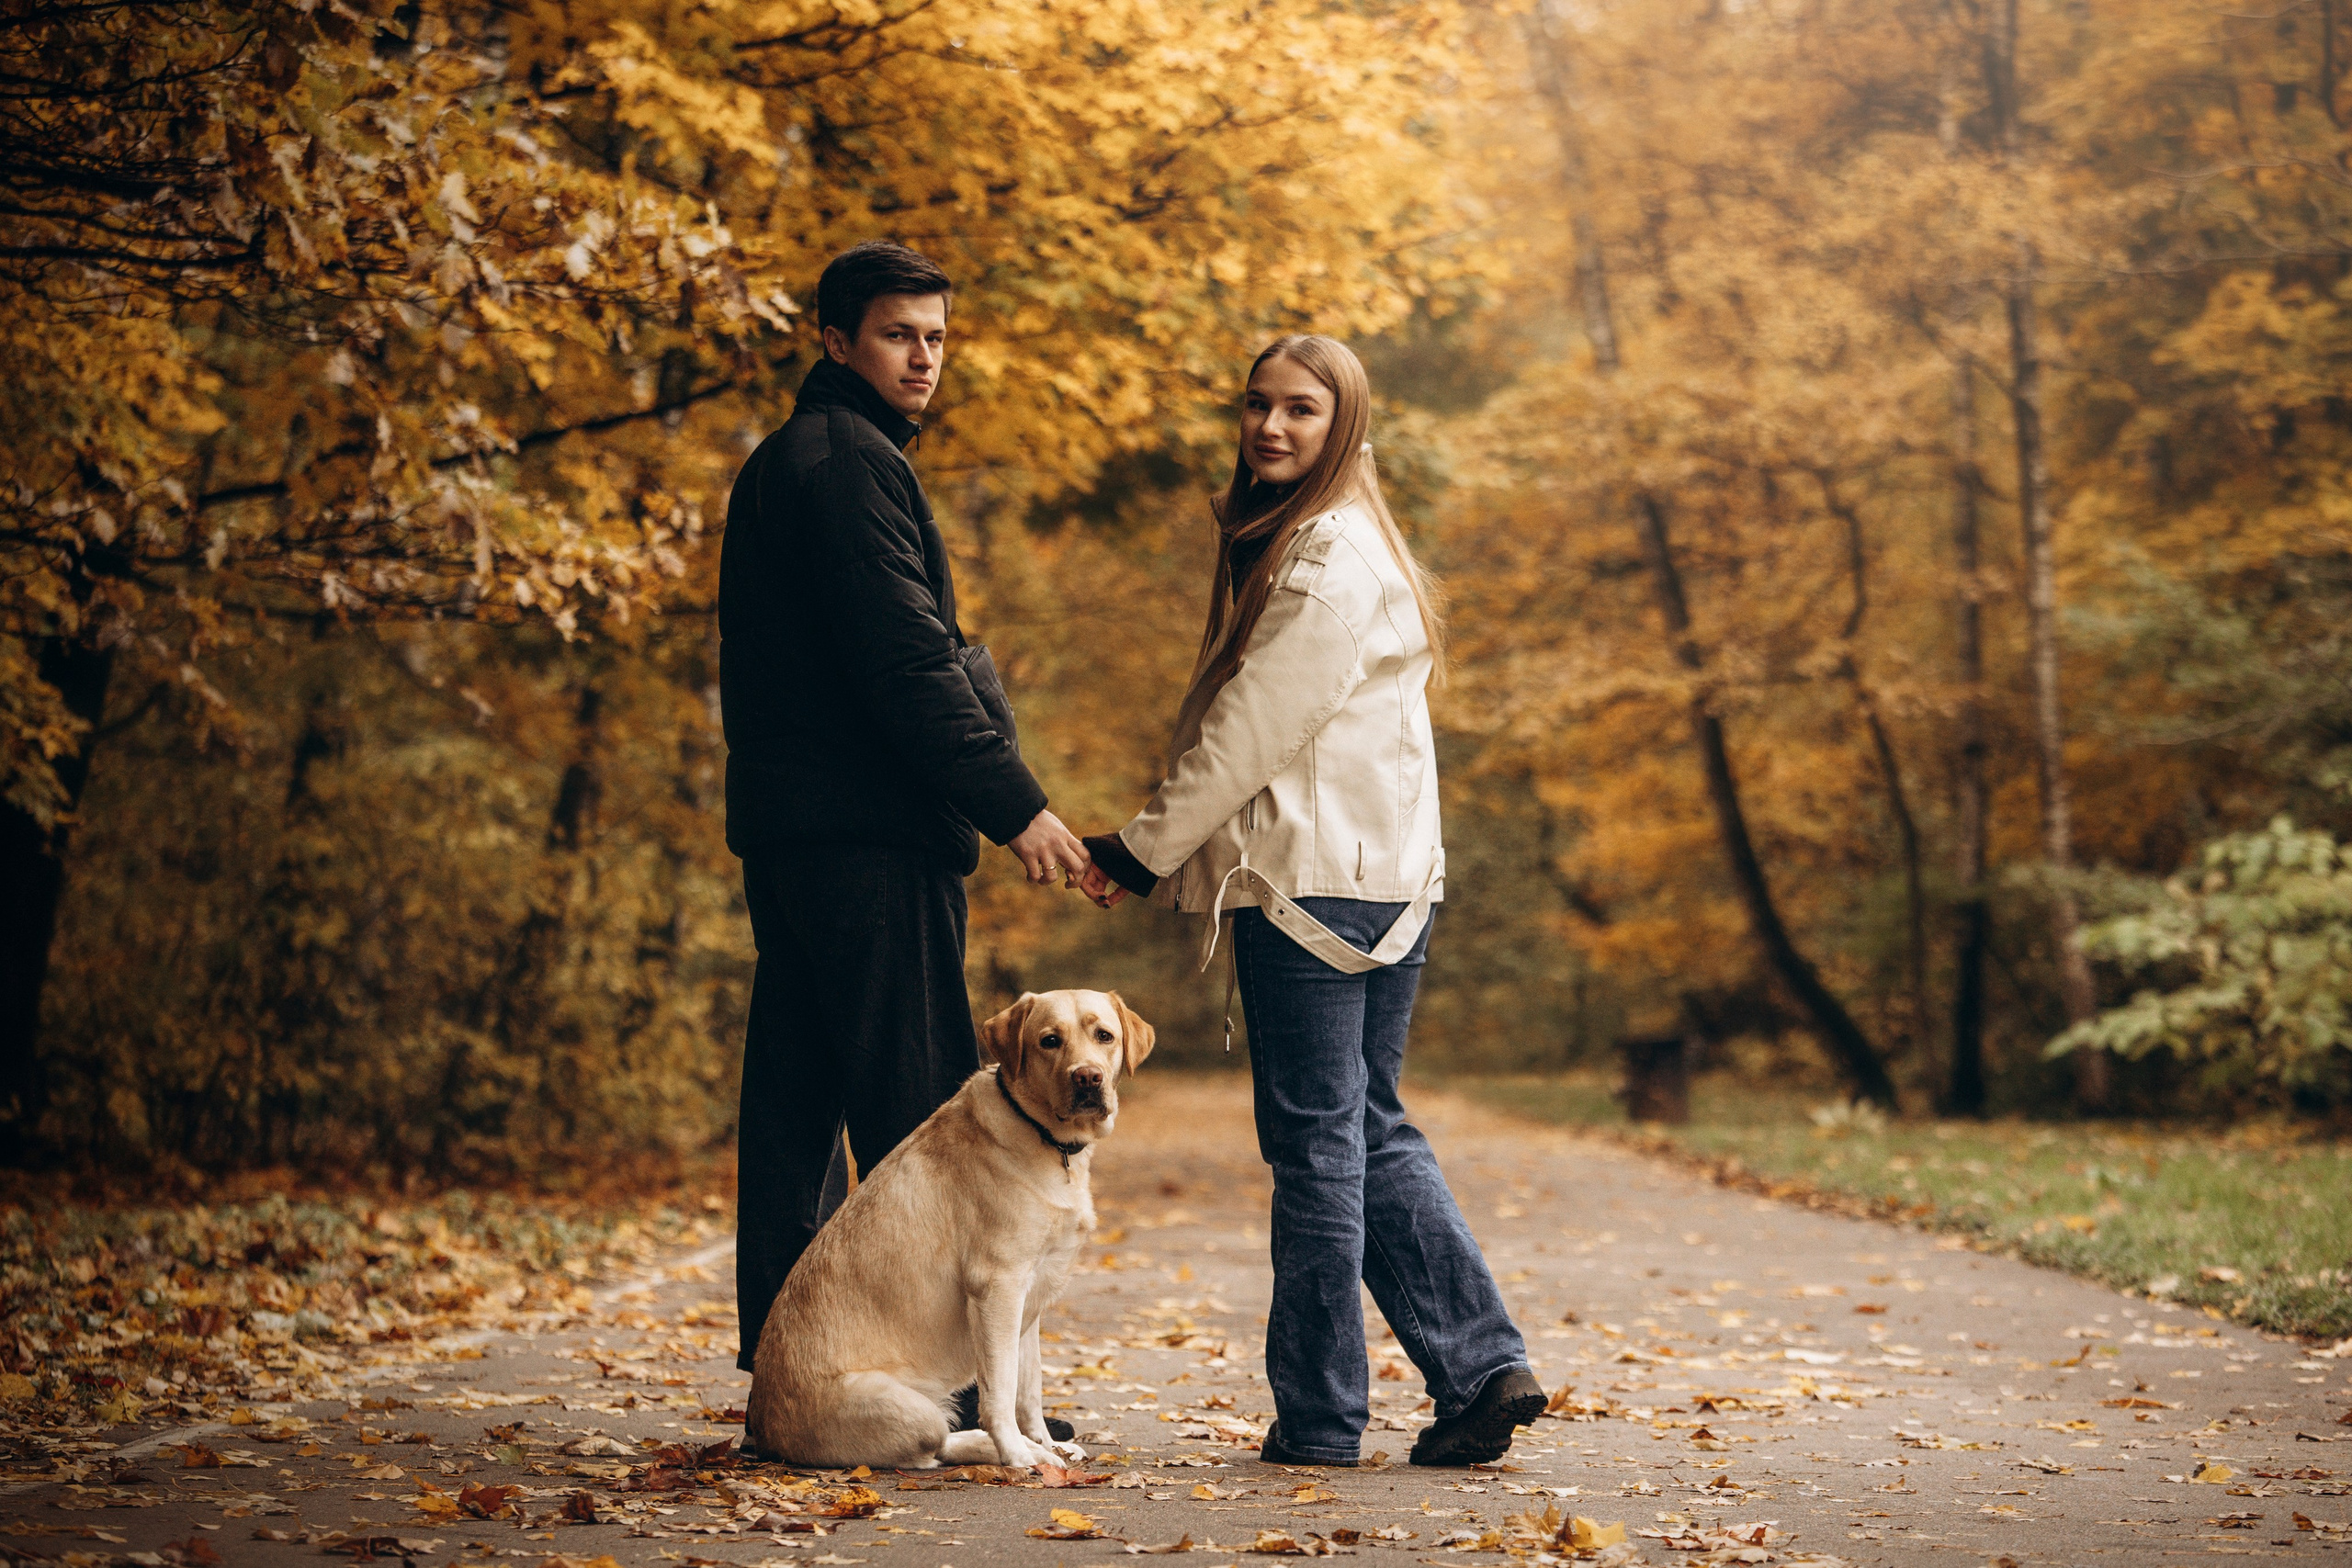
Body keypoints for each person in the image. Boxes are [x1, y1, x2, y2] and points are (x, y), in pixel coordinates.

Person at [1079, 335, 1544, 1468]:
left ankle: (1324, 1417)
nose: (1272, 427)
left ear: (1347, 427)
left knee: (1317, 1147)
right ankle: (1483, 1369)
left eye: (1301, 410)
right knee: (1366, 1125)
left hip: (1310, 891)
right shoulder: (1347, 541)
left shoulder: (1325, 556)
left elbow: (1253, 731)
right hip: (1385, 881)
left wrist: (1139, 851)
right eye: (1258, 405)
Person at [719, 241, 1091, 1377]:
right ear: (837, 341)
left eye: (934, 337)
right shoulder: (847, 464)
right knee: (926, 1122)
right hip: (869, 835)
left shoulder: (795, 457)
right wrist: (1015, 806)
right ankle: (956, 1389)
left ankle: (794, 1374)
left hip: (799, 834)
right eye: (897, 334)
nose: (923, 357)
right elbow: (907, 664)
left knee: (795, 1107)